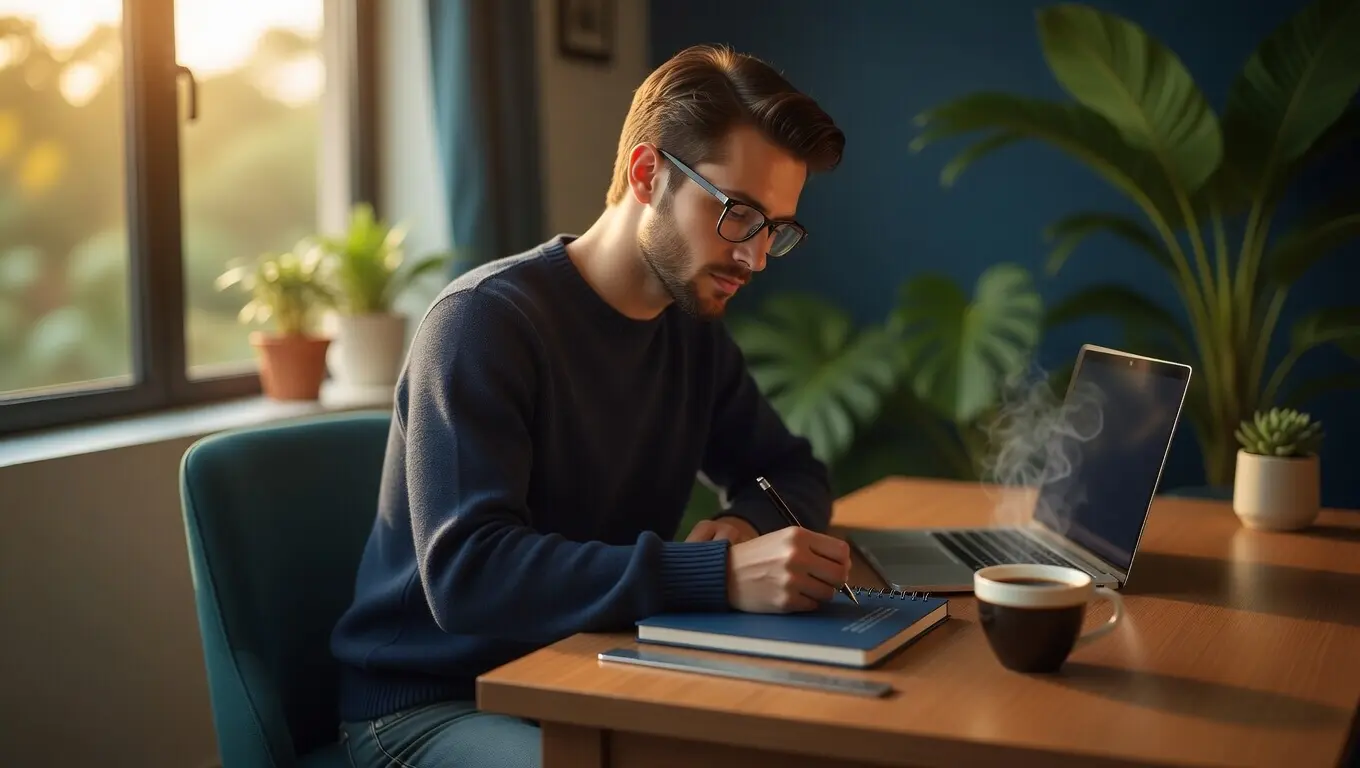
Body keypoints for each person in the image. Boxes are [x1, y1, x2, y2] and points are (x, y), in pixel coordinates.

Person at [331, 43, 849, 768]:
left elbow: (791, 472)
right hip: (433, 705)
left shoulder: (689, 334)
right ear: (647, 174)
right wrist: (718, 576)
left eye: (776, 230)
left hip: (591, 668)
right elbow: (468, 575)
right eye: (738, 214)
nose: (755, 257)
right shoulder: (483, 323)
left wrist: (738, 526)